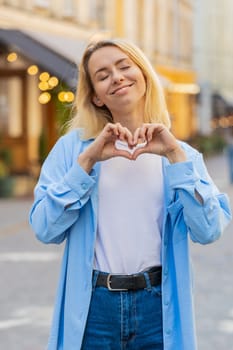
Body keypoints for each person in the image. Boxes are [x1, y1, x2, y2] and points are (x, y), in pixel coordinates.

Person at [29, 38, 231, 350]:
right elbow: (44, 228)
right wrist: (86, 164)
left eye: (124, 66)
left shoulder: (182, 155)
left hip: (158, 307)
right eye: (103, 74)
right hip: (94, 308)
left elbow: (209, 230)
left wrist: (176, 158)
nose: (117, 76)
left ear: (144, 76)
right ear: (96, 97)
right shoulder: (73, 151)